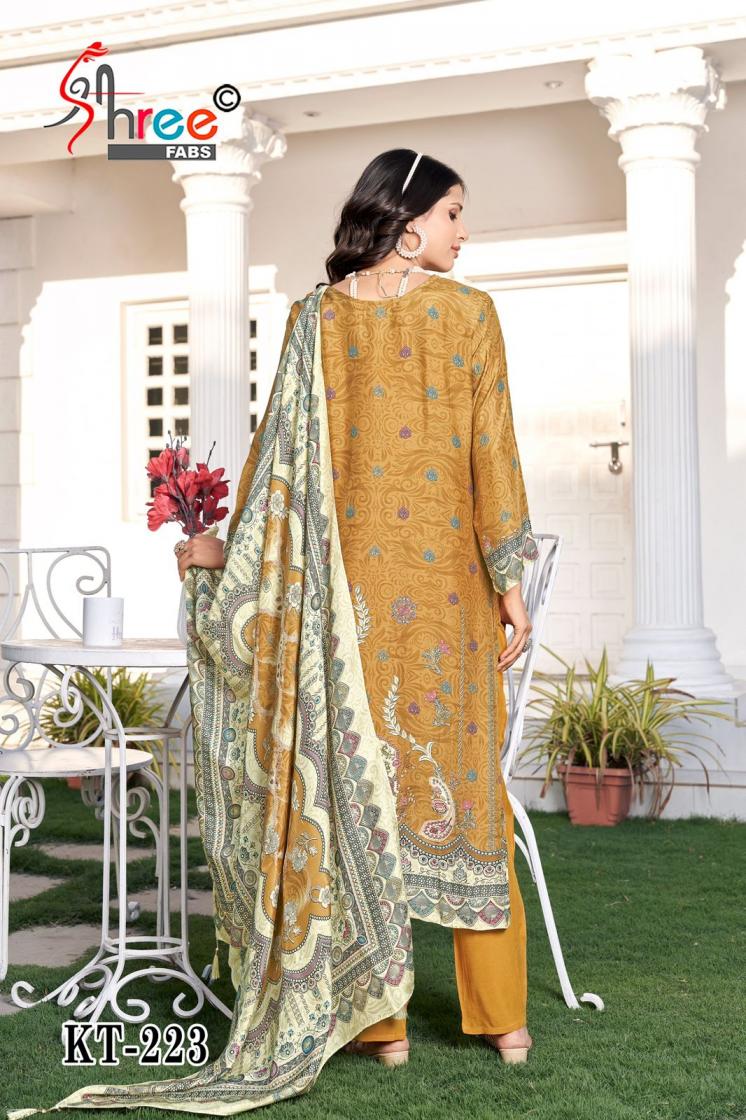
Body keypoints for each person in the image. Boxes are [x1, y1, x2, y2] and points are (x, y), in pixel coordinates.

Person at [177, 149, 538, 1067]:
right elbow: (491, 453)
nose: (465, 231)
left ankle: (381, 1029)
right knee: (469, 797)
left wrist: (232, 551)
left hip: (342, 610)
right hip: (447, 601)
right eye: (454, 213)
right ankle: (503, 1020)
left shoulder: (312, 320)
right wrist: (510, 580)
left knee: (351, 794)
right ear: (408, 224)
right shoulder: (470, 316)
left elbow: (274, 462)